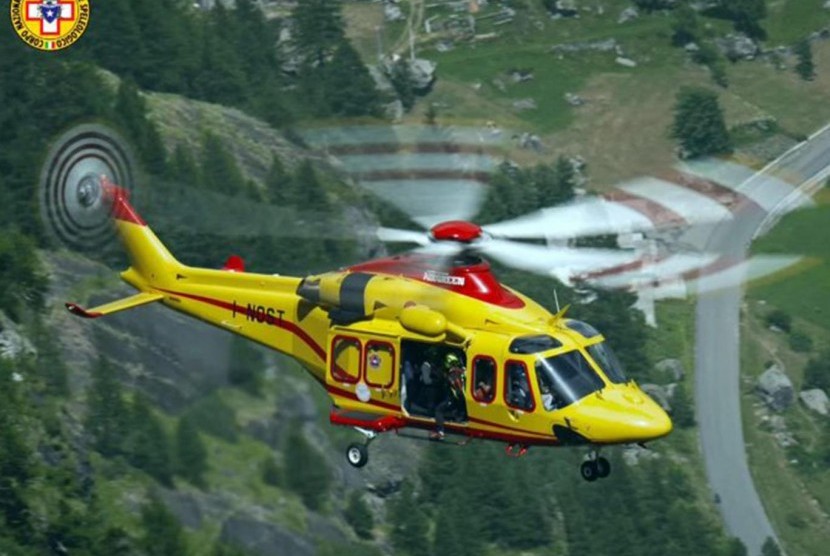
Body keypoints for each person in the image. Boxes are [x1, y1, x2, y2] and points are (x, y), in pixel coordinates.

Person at [430, 352, 466, 440]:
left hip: (452, 399)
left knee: (438, 410)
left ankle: (440, 432)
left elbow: (457, 387)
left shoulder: (453, 374)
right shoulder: (460, 372)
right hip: (455, 399)